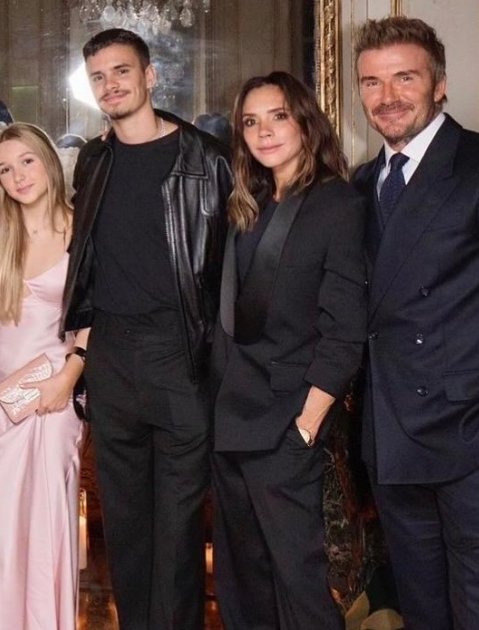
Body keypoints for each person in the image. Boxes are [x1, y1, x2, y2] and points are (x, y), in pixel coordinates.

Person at [61, 28, 233, 630]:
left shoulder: (207, 160)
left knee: (179, 528)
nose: (110, 85)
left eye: (122, 71)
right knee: (126, 527)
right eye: (99, 76)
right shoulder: (94, 159)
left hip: (180, 358)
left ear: (150, 76)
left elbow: (231, 266)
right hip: (112, 358)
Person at [210, 70, 367, 630]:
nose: (264, 132)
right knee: (242, 579)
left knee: (298, 579)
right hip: (229, 415)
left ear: (304, 121)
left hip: (286, 422)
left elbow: (345, 330)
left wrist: (307, 423)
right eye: (251, 122)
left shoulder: (337, 205)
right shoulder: (248, 204)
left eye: (278, 117)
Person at [352, 17, 479, 630]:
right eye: (372, 82)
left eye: (405, 78)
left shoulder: (475, 164)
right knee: (421, 604)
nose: (388, 97)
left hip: (467, 428)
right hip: (390, 431)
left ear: (440, 84)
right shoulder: (360, 183)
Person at [0, 122, 87, 630]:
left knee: (45, 526)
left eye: (27, 161)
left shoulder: (82, 228)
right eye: (5, 169)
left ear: (49, 162)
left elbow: (96, 312)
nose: (18, 176)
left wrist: (69, 378)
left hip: (51, 394)